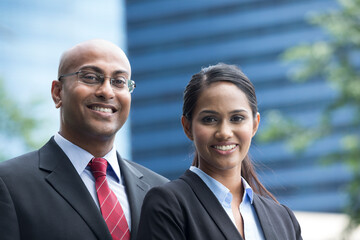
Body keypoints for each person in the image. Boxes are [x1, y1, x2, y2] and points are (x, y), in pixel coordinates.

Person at [0, 39, 168, 240]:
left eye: (119, 81)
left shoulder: (161, 191)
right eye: (90, 77)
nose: (106, 91)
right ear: (57, 92)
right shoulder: (9, 184)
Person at [136, 63, 302, 240]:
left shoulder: (283, 219)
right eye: (210, 119)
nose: (224, 132)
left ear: (255, 124)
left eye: (237, 118)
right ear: (187, 127)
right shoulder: (168, 205)